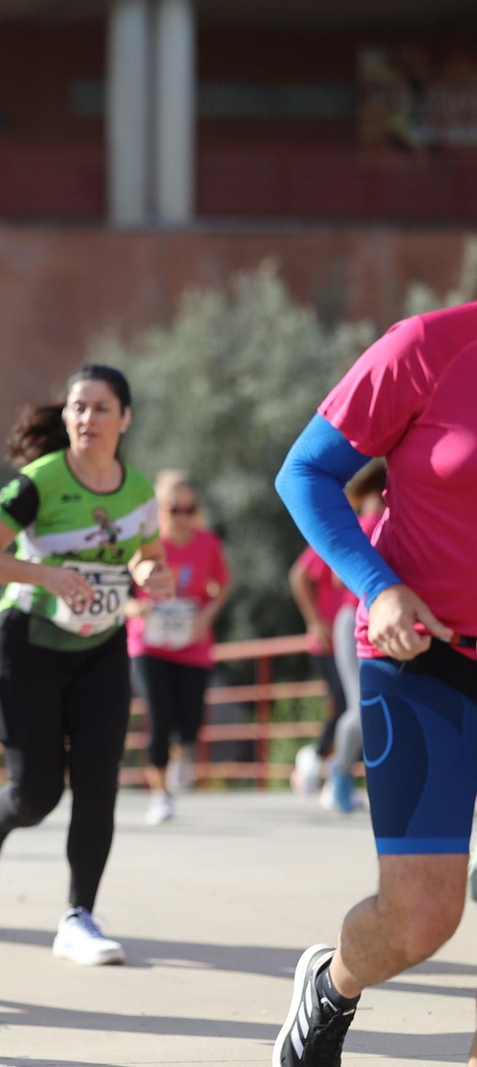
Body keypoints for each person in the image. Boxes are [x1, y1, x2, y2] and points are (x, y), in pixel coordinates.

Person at [271, 305, 477, 1067]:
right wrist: (376, 585)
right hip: (424, 651)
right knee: (421, 915)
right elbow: (306, 471)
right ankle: (332, 983)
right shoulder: (429, 347)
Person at [0, 365, 171, 966]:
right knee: (38, 793)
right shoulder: (40, 481)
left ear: (125, 419)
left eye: (102, 409)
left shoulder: (141, 493)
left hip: (100, 650)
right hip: (26, 646)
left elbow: (149, 561)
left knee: (99, 786)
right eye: (78, 407)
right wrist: (48, 574)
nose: (87, 419)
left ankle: (79, 917)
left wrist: (152, 574)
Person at [125, 470, 229, 826]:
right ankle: (159, 794)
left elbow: (222, 586)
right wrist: (133, 608)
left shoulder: (207, 543)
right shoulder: (141, 542)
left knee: (189, 722)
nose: (183, 516)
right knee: (159, 715)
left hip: (193, 644)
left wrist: (208, 615)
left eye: (190, 508)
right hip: (148, 643)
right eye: (174, 508)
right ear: (158, 509)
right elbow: (118, 590)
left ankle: (183, 756)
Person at [288, 462, 386, 813]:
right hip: (356, 623)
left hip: (381, 623)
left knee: (374, 707)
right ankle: (338, 775)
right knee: (358, 706)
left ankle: (346, 775)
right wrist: (316, 622)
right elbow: (307, 575)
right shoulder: (365, 524)